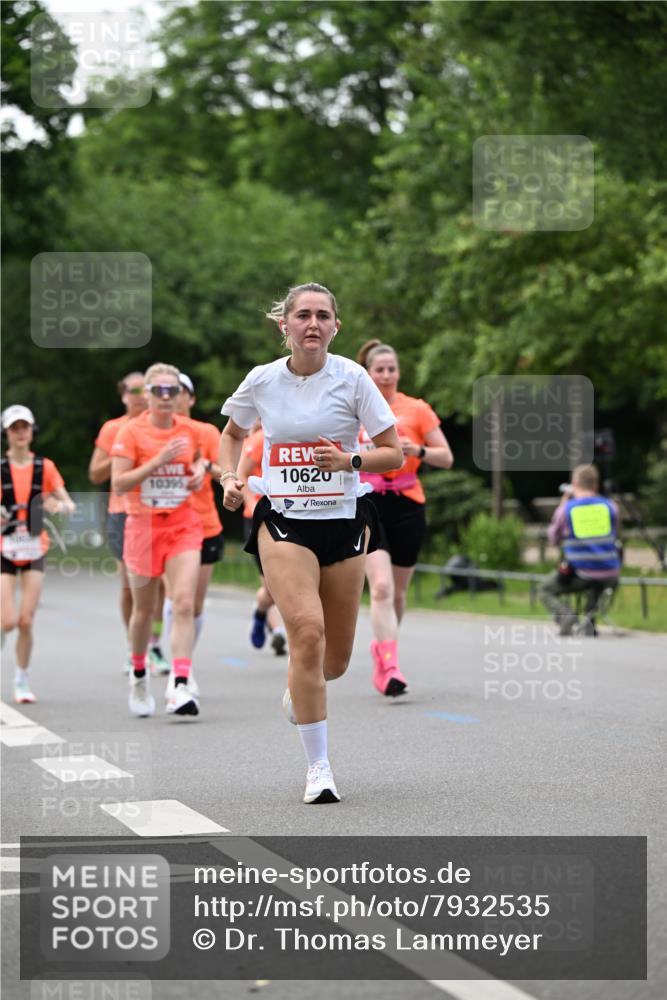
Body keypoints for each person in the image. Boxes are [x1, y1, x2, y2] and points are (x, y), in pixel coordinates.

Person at [219, 282, 402, 804]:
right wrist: (229, 477)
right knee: (305, 630)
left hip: (344, 519)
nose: (313, 324)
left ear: (335, 327)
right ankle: (318, 768)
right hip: (284, 519)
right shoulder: (262, 381)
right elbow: (231, 434)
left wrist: (351, 462)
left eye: (323, 316)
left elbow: (394, 454)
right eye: (303, 315)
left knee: (334, 660)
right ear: (286, 326)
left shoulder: (353, 377)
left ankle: (301, 689)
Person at [356, 339, 454, 696]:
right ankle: (391, 666)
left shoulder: (417, 410)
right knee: (379, 587)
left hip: (408, 502)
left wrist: (420, 450)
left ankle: (382, 650)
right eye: (378, 370)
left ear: (398, 372)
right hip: (368, 502)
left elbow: (447, 457)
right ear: (367, 373)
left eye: (391, 369)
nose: (385, 375)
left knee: (397, 593)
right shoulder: (355, 408)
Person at [111, 363, 207, 718]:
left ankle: (180, 685)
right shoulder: (131, 432)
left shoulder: (190, 430)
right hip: (142, 527)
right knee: (144, 611)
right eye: (159, 391)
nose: (166, 398)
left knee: (183, 602)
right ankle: (138, 674)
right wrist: (158, 461)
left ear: (180, 395)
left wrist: (197, 473)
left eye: (173, 391)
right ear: (146, 395)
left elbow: (196, 463)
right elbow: (119, 482)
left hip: (183, 524)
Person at [88, 373, 170, 677]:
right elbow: (95, 474)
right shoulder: (114, 429)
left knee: (159, 584)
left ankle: (156, 645)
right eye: (132, 390)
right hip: (123, 512)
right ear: (123, 396)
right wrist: (124, 453)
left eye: (142, 389)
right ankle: (132, 646)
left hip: (158, 510)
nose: (138, 395)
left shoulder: (162, 424)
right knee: (130, 586)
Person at [1, 405, 75, 703]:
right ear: (6, 433)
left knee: (26, 621)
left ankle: (21, 679)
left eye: (25, 427)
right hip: (4, 548)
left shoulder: (45, 467)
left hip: (33, 547)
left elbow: (68, 504)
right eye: (14, 428)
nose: (21, 433)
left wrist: (57, 506)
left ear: (33, 431)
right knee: (7, 621)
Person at [162, 371, 224, 668]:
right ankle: (178, 670)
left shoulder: (206, 432)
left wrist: (205, 464)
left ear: (190, 398)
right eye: (167, 391)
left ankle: (184, 658)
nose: (172, 397)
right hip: (166, 524)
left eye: (179, 391)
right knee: (179, 600)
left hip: (205, 523)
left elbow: (228, 471)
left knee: (194, 604)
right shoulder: (155, 432)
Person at [539, 464, 621, 636]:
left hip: (581, 573)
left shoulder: (568, 509)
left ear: (575, 483)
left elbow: (553, 537)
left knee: (544, 589)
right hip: (611, 574)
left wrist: (563, 503)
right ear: (596, 484)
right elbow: (615, 533)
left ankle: (566, 615)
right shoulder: (610, 506)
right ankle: (589, 621)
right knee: (595, 581)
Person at [237, 420, 287, 655]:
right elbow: (242, 474)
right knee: (271, 585)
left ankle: (264, 617)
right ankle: (274, 628)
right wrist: (252, 505)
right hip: (260, 519)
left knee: (287, 582)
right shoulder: (261, 439)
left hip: (290, 516)